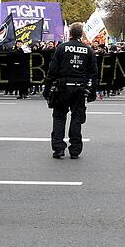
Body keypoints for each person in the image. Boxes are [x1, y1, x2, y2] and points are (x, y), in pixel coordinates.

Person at [46, 22, 98, 159]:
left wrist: (47, 89)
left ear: (70, 33)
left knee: (59, 117)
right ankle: (75, 150)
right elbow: (93, 73)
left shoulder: (61, 48)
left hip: (62, 88)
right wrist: (92, 92)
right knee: (76, 117)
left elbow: (52, 70)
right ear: (81, 34)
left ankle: (58, 149)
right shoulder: (88, 50)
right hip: (79, 89)